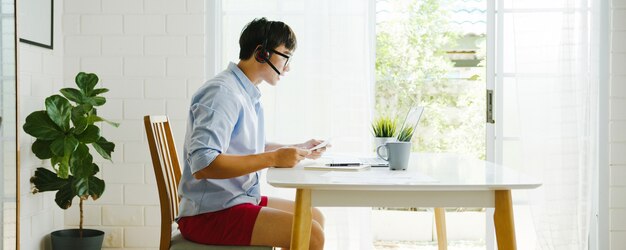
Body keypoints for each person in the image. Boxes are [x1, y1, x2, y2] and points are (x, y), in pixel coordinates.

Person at [177, 17, 327, 250]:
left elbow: (244, 147)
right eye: (285, 56)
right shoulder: (223, 93)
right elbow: (203, 164)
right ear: (261, 53)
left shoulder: (244, 91)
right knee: (312, 235)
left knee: (315, 217)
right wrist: (274, 159)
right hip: (209, 214)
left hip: (233, 201)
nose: (288, 67)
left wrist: (298, 148)